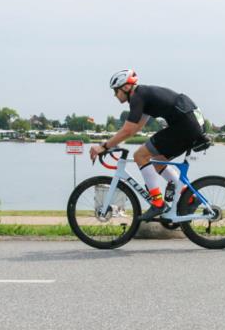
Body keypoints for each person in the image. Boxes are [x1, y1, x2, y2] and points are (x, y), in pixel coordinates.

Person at [90, 69, 210, 221]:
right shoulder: (144, 96)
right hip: (190, 124)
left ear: (126, 88)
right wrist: (112, 143)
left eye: (116, 91)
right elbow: (135, 128)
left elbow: (128, 130)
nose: (115, 95)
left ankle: (158, 203)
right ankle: (190, 198)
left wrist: (104, 146)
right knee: (156, 161)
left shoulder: (137, 98)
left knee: (140, 155)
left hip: (184, 126)